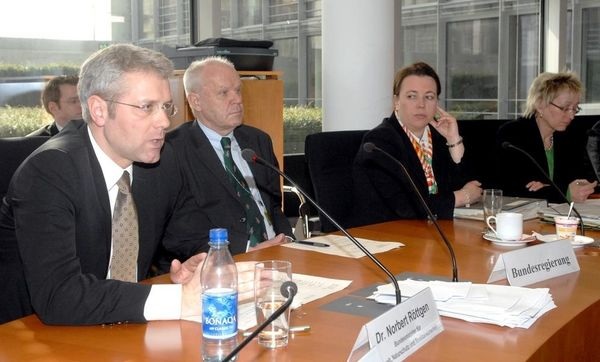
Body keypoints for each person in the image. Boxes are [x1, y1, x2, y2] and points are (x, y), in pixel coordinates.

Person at [0, 44, 254, 325]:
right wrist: (181, 299)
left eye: (166, 107)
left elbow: (189, 234)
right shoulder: (50, 170)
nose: (163, 121)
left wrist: (201, 261)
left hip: (124, 327)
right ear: (98, 110)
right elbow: (59, 296)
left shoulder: (163, 162)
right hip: (30, 335)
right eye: (146, 107)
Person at [166, 56, 293, 256]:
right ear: (195, 101)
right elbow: (179, 229)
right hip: (223, 261)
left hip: (278, 253)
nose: (237, 100)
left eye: (238, 90)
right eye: (224, 93)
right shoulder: (172, 150)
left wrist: (287, 240)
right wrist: (247, 248)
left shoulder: (258, 141)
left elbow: (273, 205)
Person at [353, 61, 482, 224]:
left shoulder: (439, 136)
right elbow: (404, 206)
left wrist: (453, 141)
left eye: (429, 97)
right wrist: (460, 197)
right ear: (396, 102)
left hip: (436, 229)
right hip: (393, 234)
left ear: (437, 103)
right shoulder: (379, 143)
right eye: (412, 96)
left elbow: (473, 187)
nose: (421, 105)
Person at [495, 71, 597, 203]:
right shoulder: (512, 135)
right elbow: (510, 189)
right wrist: (563, 192)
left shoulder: (570, 135)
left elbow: (581, 180)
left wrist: (552, 189)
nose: (572, 116)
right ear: (540, 105)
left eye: (575, 108)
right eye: (565, 108)